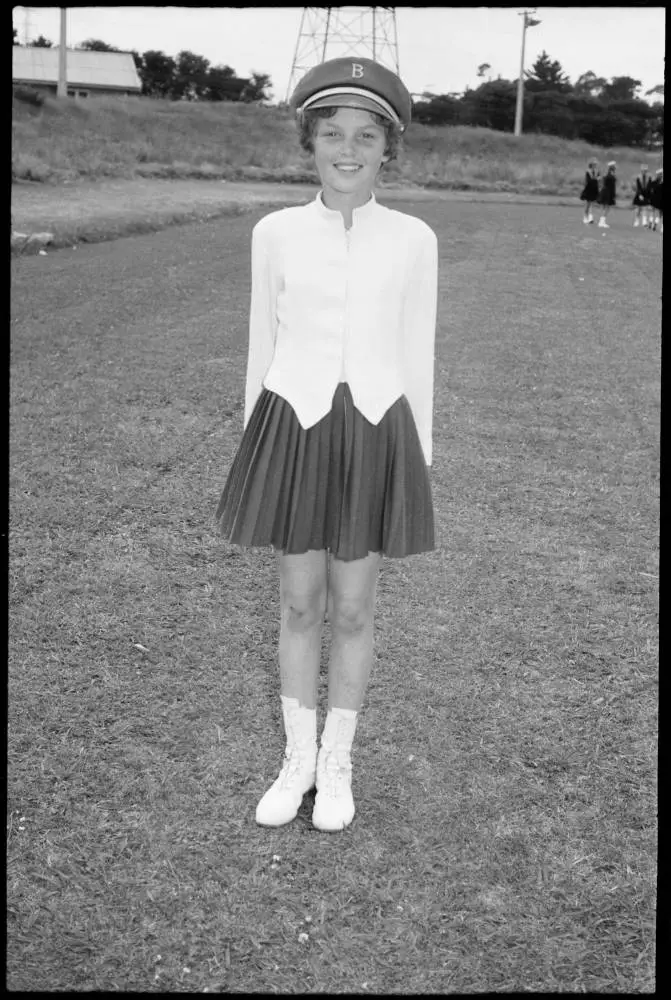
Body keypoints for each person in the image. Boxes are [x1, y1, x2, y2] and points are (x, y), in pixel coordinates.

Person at [215, 57, 438, 833]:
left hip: (377, 430)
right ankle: (297, 758)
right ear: (308, 142)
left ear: (388, 148)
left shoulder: (414, 239)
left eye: (366, 135)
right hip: (293, 425)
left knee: (352, 609)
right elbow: (259, 344)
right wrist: (255, 450)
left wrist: (419, 459)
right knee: (299, 603)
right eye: (332, 132)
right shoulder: (273, 232)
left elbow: (418, 354)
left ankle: (338, 763)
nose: (348, 148)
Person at [579, 159, 600, 224]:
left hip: (595, 189)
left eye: (596, 165)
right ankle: (585, 217)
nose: (595, 166)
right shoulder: (588, 171)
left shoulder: (597, 171)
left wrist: (598, 179)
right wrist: (596, 179)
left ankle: (590, 217)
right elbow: (589, 181)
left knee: (592, 203)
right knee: (588, 204)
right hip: (589, 189)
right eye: (594, 164)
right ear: (591, 165)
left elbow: (599, 179)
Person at [597, 161, 617, 227]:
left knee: (606, 207)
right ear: (612, 167)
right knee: (606, 207)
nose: (615, 167)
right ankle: (602, 222)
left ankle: (602, 221)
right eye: (614, 166)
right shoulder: (609, 174)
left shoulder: (610, 174)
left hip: (608, 191)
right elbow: (608, 183)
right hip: (607, 191)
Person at [649, 167, 663, 233]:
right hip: (657, 200)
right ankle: (653, 223)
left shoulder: (654, 182)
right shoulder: (655, 182)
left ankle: (653, 224)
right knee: (658, 213)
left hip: (656, 200)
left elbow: (651, 191)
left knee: (655, 212)